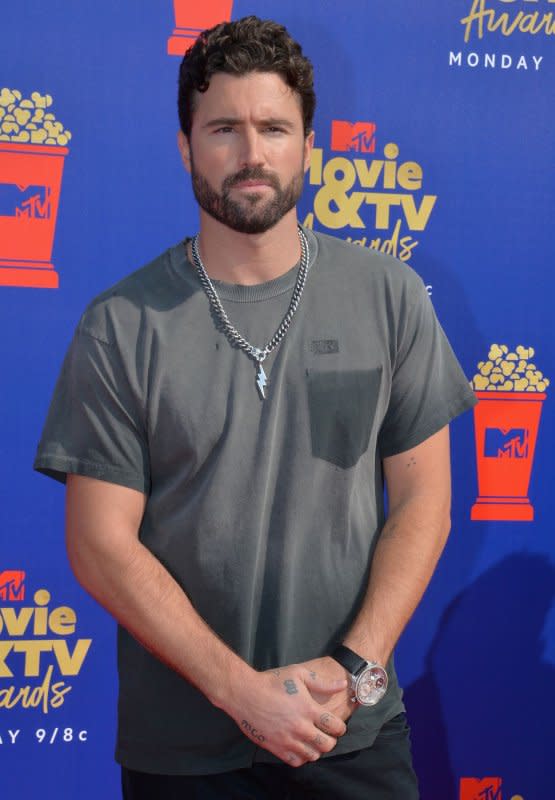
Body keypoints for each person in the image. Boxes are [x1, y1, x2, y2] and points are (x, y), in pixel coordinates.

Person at [34, 15, 476, 800]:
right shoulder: (122, 324)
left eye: (274, 127)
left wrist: (351, 669)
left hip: (354, 734)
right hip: (184, 750)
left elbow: (423, 502)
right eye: (223, 129)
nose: (251, 155)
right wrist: (237, 691)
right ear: (184, 146)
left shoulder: (388, 297)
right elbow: (99, 544)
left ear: (309, 143)